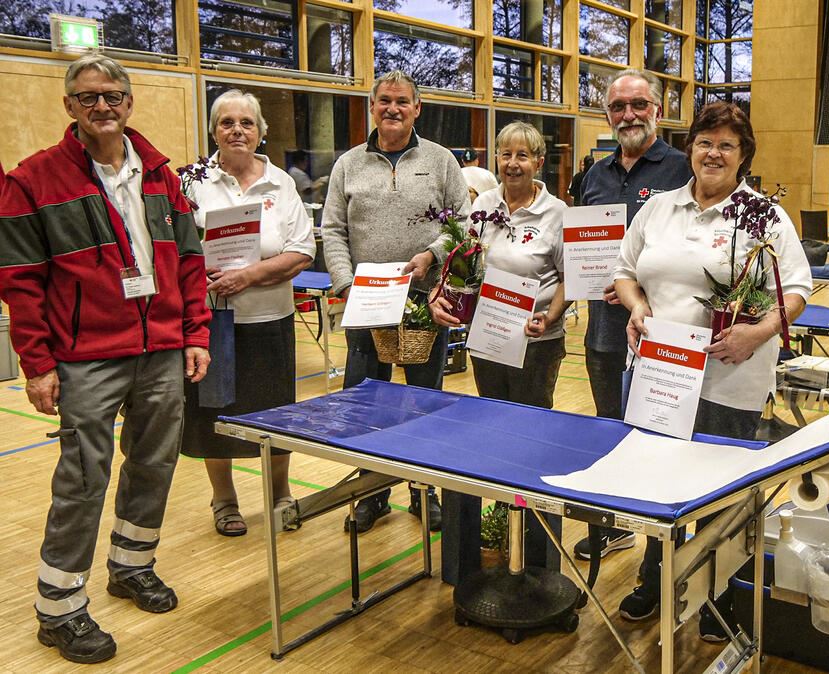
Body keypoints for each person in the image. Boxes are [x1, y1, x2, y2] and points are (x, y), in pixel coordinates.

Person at [0, 54, 211, 664]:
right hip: (87, 356)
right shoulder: (33, 181)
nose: (102, 106)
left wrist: (194, 334)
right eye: (88, 97)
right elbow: (19, 280)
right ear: (69, 106)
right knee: (84, 476)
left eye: (113, 95)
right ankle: (59, 608)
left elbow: (191, 262)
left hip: (162, 349)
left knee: (154, 463)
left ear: (129, 102)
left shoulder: (161, 176)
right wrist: (37, 364)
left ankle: (131, 565)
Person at [612, 101, 812, 638]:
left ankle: (717, 595)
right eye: (705, 142)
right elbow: (625, 272)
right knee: (655, 486)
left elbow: (796, 290)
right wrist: (636, 306)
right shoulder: (658, 208)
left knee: (719, 496)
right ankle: (654, 578)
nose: (714, 152)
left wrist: (758, 332)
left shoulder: (764, 216)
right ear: (690, 149)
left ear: (743, 155)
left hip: (729, 381)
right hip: (657, 374)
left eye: (727, 144)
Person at [322, 70, 470, 536]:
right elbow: (333, 230)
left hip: (426, 302)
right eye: (384, 100)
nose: (393, 108)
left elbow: (464, 223)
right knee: (367, 404)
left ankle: (424, 492)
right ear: (372, 106)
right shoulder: (348, 164)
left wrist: (432, 255)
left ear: (417, 108)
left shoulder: (441, 160)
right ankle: (371, 493)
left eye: (402, 101)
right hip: (366, 302)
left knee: (423, 401)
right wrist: (346, 285)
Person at [431, 121, 569, 570]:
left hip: (538, 340)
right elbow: (462, 264)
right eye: (505, 155)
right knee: (494, 424)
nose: (513, 164)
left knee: (531, 432)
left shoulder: (557, 213)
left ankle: (533, 530)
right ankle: (503, 518)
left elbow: (572, 278)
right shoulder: (483, 206)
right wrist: (445, 294)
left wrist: (550, 315)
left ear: (539, 162)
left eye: (523, 156)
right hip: (489, 338)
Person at [180, 90, 315, 537]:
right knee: (212, 417)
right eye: (227, 123)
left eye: (247, 123)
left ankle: (280, 494)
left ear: (261, 131)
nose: (237, 131)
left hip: (270, 322)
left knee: (276, 417)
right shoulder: (192, 184)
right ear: (214, 130)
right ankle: (224, 500)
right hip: (211, 325)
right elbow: (175, 251)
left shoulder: (282, 183)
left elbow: (301, 251)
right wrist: (199, 271)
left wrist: (249, 276)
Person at [573, 68, 692, 562]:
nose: (629, 115)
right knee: (607, 432)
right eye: (618, 107)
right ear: (607, 114)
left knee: (661, 443)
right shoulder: (592, 177)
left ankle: (660, 556)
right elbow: (578, 247)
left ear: (657, 110)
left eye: (639, 104)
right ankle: (611, 525)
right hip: (603, 331)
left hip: (662, 335)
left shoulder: (685, 169)